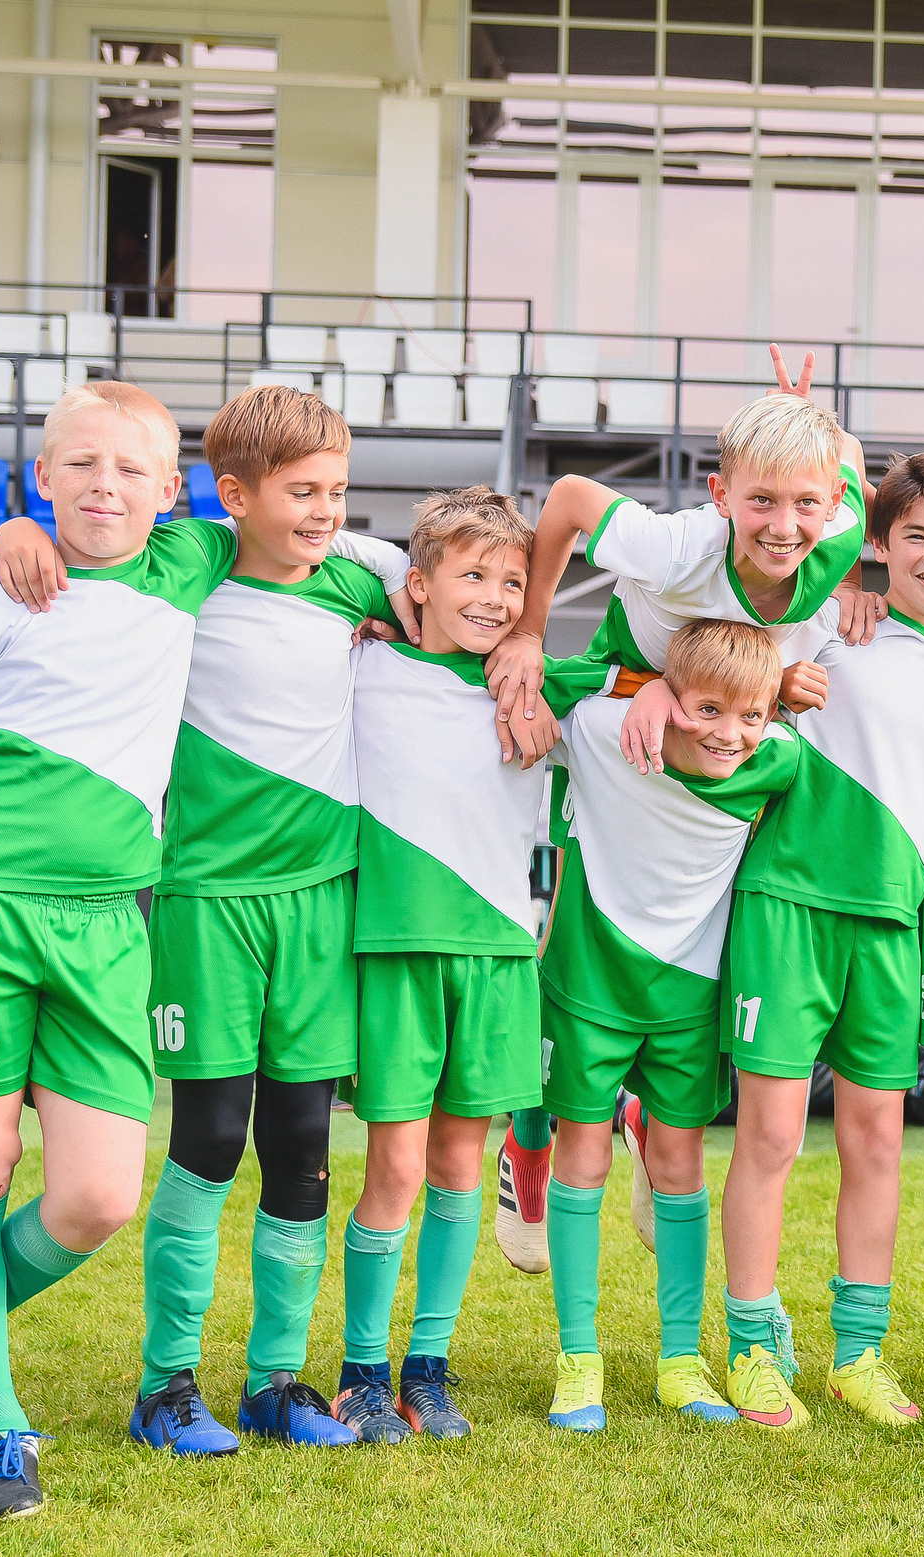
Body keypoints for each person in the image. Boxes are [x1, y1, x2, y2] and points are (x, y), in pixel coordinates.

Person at [0, 383, 288, 1517]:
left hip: (108, 922)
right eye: (80, 464)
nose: (106, 485)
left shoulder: (188, 562)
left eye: (132, 469)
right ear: (42, 476)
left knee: (96, 1196)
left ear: (173, 491)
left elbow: (315, 526)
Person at [485, 368, 869, 1266]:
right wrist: (535, 631)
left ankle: (651, 1124)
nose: (785, 524)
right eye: (761, 499)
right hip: (622, 718)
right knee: (575, 946)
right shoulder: (673, 547)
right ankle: (529, 1140)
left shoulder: (837, 532)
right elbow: (569, 499)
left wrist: (784, 673)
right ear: (719, 495)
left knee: (692, 939)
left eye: (805, 503)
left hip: (715, 733)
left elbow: (846, 460)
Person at [713, 454, 924, 1431]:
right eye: (915, 534)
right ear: (878, 541)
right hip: (787, 904)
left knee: (877, 1137)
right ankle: (753, 1347)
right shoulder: (827, 620)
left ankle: (857, 1353)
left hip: (893, 921)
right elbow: (761, 574)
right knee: (772, 1134)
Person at [333, 488, 606, 1444]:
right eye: (472, 575)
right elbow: (324, 542)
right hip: (397, 951)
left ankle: (427, 1366)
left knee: (456, 1163)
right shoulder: (366, 662)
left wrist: (536, 644)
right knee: (397, 1166)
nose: (494, 597)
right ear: (420, 584)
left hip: (498, 958)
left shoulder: (537, 685)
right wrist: (391, 583)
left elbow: (654, 669)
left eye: (513, 583)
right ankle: (361, 1372)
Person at [535, 619, 801, 1433]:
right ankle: (578, 1358)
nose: (729, 734)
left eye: (750, 715)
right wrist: (638, 684)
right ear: (673, 694)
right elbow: (544, 676)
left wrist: (763, 696)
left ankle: (680, 1360)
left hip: (691, 996)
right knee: (582, 1157)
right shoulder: (601, 730)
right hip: (589, 983)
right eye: (707, 709)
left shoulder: (776, 758)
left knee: (679, 1165)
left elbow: (795, 726)